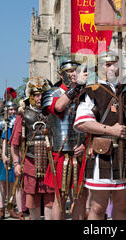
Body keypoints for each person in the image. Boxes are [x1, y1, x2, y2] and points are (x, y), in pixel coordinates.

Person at [74, 50, 126, 220]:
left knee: (122, 207)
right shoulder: (92, 90)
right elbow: (82, 122)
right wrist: (110, 130)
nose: (112, 68)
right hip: (103, 155)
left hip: (125, 154)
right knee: (99, 207)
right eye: (107, 64)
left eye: (115, 64)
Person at [41, 57, 88, 220]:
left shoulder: (87, 93)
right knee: (60, 199)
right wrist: (76, 87)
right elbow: (59, 106)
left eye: (76, 70)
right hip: (61, 152)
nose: (73, 74)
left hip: (82, 151)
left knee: (81, 198)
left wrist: (85, 145)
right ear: (61, 74)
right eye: (69, 71)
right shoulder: (51, 93)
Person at [10, 77, 55, 220]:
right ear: (30, 95)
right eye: (36, 94)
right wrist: (16, 164)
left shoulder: (52, 114)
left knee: (50, 200)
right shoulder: (23, 115)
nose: (39, 97)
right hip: (30, 162)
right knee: (32, 200)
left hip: (50, 162)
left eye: (42, 94)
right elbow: (14, 144)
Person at [0, 101, 23, 219]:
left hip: (17, 154)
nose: (12, 111)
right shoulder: (5, 124)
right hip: (7, 153)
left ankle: (15, 209)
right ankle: (1, 209)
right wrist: (3, 155)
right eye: (10, 109)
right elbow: (4, 140)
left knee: (16, 184)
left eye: (14, 109)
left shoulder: (19, 121)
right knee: (2, 183)